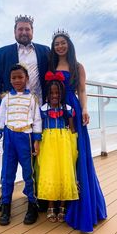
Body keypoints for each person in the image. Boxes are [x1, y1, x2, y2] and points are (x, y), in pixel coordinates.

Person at [49, 29, 107, 233]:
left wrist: (84, 109)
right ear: (53, 47)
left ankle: (81, 208)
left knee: (77, 155)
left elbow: (82, 89)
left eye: (63, 42)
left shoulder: (77, 66)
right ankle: (58, 201)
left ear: (69, 45)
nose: (60, 46)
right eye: (57, 43)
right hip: (53, 110)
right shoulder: (50, 65)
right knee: (59, 156)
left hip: (72, 110)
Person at [0, 15, 50, 211]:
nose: (24, 32)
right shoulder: (3, 52)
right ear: (15, 31)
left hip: (39, 108)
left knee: (37, 150)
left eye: (27, 29)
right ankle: (4, 196)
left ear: (32, 31)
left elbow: (51, 75)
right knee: (10, 158)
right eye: (20, 29)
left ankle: (34, 192)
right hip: (15, 110)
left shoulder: (44, 51)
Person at [0, 64, 42, 226]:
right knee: (7, 173)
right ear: (10, 79)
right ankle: (6, 206)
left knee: (29, 173)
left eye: (20, 77)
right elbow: (1, 119)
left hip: (25, 138)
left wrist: (36, 140)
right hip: (9, 136)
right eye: (13, 77)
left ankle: (32, 204)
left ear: (26, 78)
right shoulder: (6, 98)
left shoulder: (32, 98)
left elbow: (36, 120)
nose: (17, 80)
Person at [36, 71, 79, 223]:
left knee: (64, 172)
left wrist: (74, 145)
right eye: (52, 93)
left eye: (57, 93)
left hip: (64, 143)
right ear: (47, 94)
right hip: (48, 143)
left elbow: (72, 129)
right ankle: (50, 205)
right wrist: (37, 143)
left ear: (62, 94)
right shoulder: (42, 110)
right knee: (50, 171)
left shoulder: (68, 109)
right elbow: (38, 129)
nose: (54, 96)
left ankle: (62, 206)